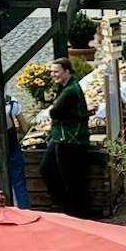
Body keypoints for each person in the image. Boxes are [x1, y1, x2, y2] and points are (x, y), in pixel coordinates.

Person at [39, 57, 89, 217]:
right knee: (46, 168)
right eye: (52, 72)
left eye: (57, 71)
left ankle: (75, 212)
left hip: (69, 138)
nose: (53, 75)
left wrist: (55, 115)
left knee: (70, 177)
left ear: (67, 71)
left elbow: (54, 112)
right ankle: (64, 205)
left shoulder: (70, 91)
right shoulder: (65, 87)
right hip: (60, 136)